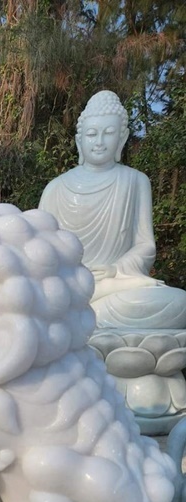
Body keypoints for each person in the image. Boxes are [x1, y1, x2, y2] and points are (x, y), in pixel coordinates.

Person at [39, 90, 186, 329]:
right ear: (79, 140)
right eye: (91, 134)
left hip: (114, 286)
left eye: (108, 133)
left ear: (122, 138)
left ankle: (83, 324)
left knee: (180, 303)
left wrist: (116, 269)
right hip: (70, 289)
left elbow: (145, 245)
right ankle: (83, 320)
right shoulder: (55, 189)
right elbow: (41, 253)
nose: (99, 142)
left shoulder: (135, 181)